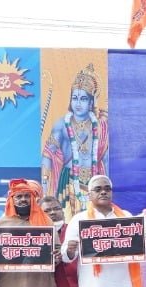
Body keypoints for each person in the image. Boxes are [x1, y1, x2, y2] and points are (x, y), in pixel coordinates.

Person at [44, 63, 109, 215]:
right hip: (68, 181)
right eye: (74, 98)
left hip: (95, 183)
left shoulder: (101, 126)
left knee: (95, 221)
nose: (78, 103)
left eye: (83, 99)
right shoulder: (61, 124)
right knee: (67, 221)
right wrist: (45, 184)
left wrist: (106, 184)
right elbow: (48, 154)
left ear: (91, 102)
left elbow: (105, 158)